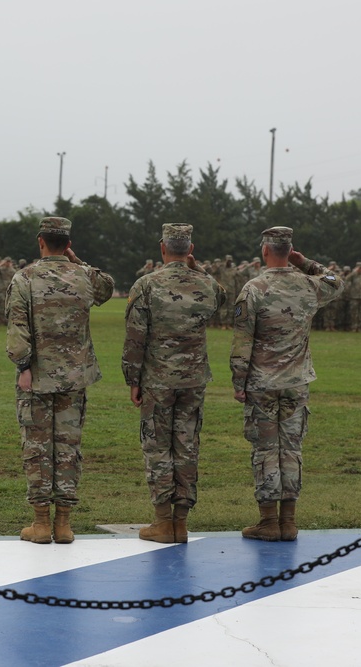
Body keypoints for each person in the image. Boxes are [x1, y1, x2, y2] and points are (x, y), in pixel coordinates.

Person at [230, 226, 344, 542]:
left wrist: (239, 380)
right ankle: (289, 522)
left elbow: (242, 340)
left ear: (265, 251)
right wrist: (306, 262)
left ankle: (268, 521)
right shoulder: (309, 285)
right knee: (291, 448)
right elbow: (337, 281)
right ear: (288, 251)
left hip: (262, 383)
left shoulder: (254, 289)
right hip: (296, 382)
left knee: (266, 449)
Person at [6, 216, 115, 544]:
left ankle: (41, 524)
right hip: (74, 378)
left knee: (37, 448)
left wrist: (24, 366)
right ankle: (64, 524)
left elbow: (17, 328)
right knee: (68, 448)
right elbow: (107, 287)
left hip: (37, 377)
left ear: (40, 241)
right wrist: (78, 260)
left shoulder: (25, 277)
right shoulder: (83, 276)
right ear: (67, 244)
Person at [122, 224, 226, 543]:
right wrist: (200, 269)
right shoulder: (203, 284)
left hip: (158, 377)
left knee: (157, 446)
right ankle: (181, 521)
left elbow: (135, 337)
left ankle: (163, 521)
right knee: (187, 445)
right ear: (190, 249)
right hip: (193, 378)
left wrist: (133, 378)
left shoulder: (147, 284)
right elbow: (220, 298)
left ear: (162, 247)